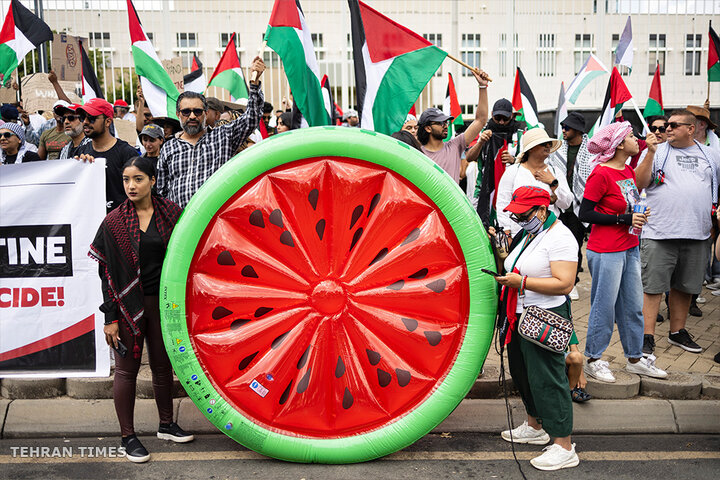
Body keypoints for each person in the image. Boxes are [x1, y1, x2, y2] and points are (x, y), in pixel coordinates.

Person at [89, 156, 193, 463]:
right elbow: (105, 273)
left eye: (137, 179)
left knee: (163, 367)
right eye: (126, 180)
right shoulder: (114, 222)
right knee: (127, 371)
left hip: (161, 303)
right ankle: (128, 436)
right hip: (126, 306)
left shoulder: (171, 213)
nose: (131, 186)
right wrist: (110, 318)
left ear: (152, 181)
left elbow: (187, 253)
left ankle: (166, 424)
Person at [493, 186, 579, 471]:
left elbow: (565, 283)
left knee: (548, 378)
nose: (518, 220)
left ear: (542, 210)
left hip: (545, 315)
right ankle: (535, 425)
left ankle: (564, 445)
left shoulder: (561, 237)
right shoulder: (531, 232)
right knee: (524, 373)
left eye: (523, 215)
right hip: (519, 314)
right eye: (515, 216)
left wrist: (523, 283)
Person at [579, 122, 668, 382]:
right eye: (630, 136)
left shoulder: (627, 169)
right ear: (619, 144)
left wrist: (637, 213)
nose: (635, 138)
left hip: (629, 247)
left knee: (632, 307)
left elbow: (634, 196)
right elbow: (585, 213)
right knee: (603, 307)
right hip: (606, 250)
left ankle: (635, 358)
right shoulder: (601, 173)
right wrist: (624, 219)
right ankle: (593, 358)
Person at [635, 109, 720, 355]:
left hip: (698, 233)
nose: (665, 130)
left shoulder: (711, 155)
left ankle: (677, 332)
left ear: (691, 129)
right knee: (652, 287)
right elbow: (639, 183)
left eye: (672, 125)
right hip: (660, 232)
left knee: (684, 286)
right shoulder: (657, 152)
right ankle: (646, 336)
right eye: (664, 126)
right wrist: (649, 153)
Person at [156, 56, 265, 209]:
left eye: (197, 111)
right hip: (180, 226)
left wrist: (254, 84)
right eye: (186, 112)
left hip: (216, 224)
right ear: (177, 114)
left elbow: (252, 117)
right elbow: (162, 192)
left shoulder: (223, 137)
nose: (192, 116)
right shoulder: (169, 147)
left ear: (206, 113)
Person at [417, 69, 490, 183]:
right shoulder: (418, 154)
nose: (445, 125)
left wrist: (482, 87)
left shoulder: (455, 146)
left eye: (446, 122)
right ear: (427, 128)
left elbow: (481, 120)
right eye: (440, 123)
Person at [496, 128, 573, 237]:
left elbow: (566, 204)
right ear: (531, 148)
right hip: (518, 233)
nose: (548, 146)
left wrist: (553, 183)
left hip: (549, 233)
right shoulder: (513, 171)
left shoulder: (555, 172)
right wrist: (506, 232)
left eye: (549, 143)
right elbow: (503, 202)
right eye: (543, 144)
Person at [549, 112, 593, 299]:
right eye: (563, 127)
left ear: (577, 130)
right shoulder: (557, 150)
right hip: (559, 204)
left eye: (567, 127)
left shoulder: (590, 151)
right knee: (557, 244)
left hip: (579, 206)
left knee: (574, 244)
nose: (563, 131)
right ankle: (557, 279)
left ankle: (572, 282)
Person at [76, 98, 140, 212]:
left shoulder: (127, 153)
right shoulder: (81, 152)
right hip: (90, 223)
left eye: (91, 118)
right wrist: (78, 169)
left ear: (107, 122)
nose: (85, 122)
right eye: (82, 118)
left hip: (121, 223)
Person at [474, 98, 526, 226]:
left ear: (512, 117)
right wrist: (480, 142)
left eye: (505, 118)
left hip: (512, 192)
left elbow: (529, 162)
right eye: (498, 118)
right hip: (484, 192)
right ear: (492, 115)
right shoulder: (484, 133)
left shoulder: (520, 135)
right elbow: (469, 157)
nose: (501, 122)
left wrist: (514, 160)